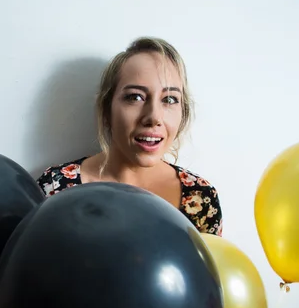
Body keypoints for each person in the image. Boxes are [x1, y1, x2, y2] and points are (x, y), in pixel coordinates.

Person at [36, 36, 222, 236]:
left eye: (169, 99)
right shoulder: (55, 187)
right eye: (135, 97)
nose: (153, 117)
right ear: (107, 109)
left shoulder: (201, 198)